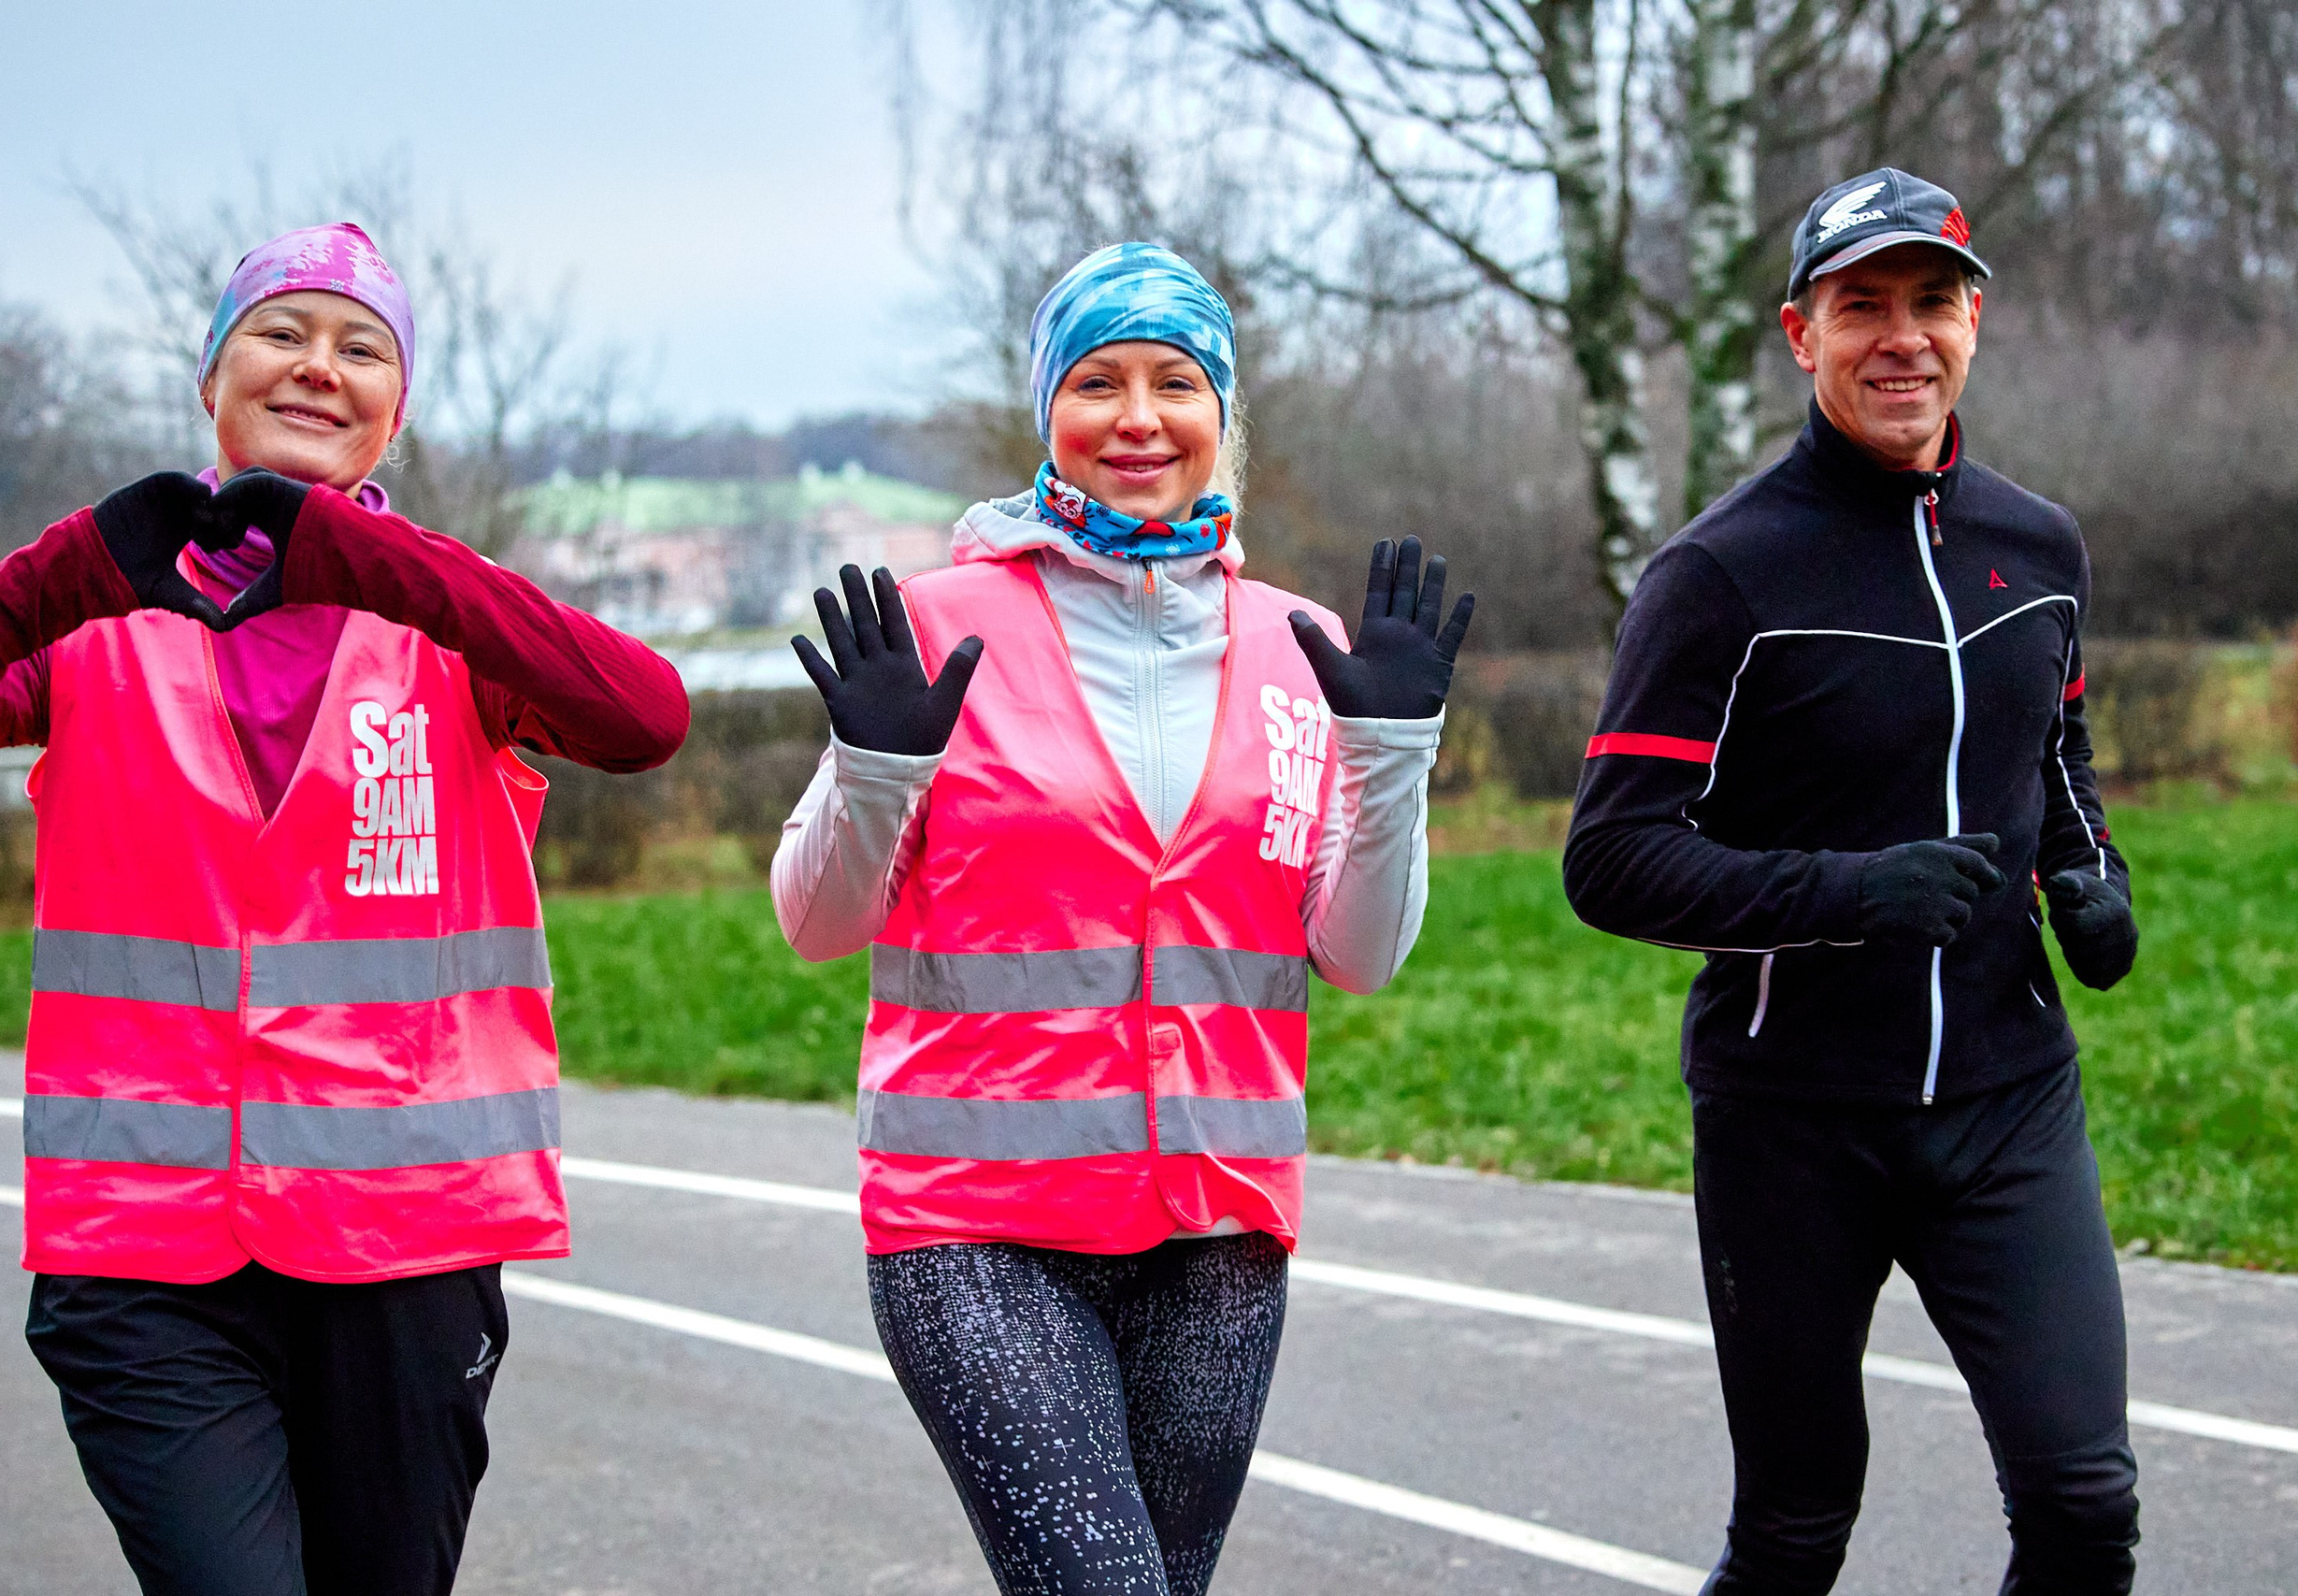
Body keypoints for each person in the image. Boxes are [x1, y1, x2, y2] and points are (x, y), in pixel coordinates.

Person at [0, 222, 689, 1596]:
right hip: (141, 1254)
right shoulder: (97, 622)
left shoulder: (447, 628)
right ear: (210, 380)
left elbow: (642, 720)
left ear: (399, 409)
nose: (318, 366)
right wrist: (67, 571)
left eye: (361, 346)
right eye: (279, 332)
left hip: (407, 1246)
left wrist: (372, 564)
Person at [773, 241, 1473, 1595]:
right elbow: (815, 920)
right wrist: (875, 771)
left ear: (1224, 418)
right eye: (1099, 381)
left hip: (1217, 1231)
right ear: (1050, 415)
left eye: (1176, 382)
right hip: (977, 1231)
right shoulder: (938, 624)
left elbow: (1361, 954)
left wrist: (1393, 756)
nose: (1139, 418)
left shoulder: (1301, 644)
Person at [1563, 168, 2142, 1593]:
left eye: (1930, 303)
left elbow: (2051, 749)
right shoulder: (1720, 575)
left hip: (2009, 1098)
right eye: (1860, 306)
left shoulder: (2039, 547)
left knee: (2084, 1505)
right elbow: (1610, 858)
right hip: (1793, 1121)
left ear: (1975, 321)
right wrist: (1844, 897)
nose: (1902, 338)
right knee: (1795, 1534)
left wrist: (2094, 873)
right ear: (1798, 335)